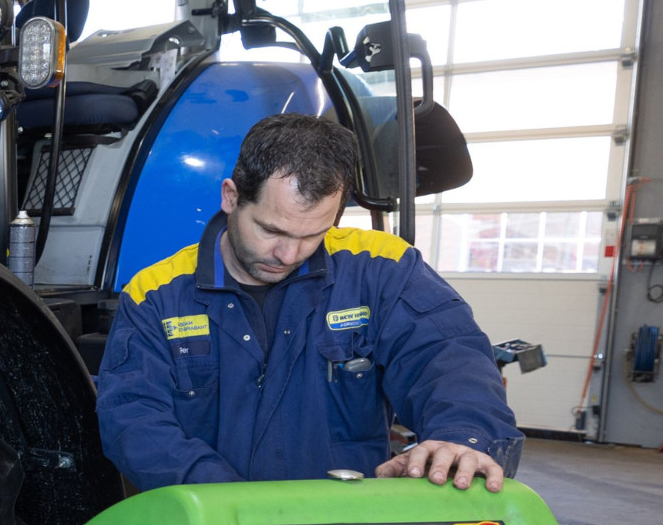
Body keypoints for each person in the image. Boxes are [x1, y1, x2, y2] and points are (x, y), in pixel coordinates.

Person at [97, 113, 521, 492]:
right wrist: (226, 499)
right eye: (272, 231)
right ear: (231, 197)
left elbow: (448, 357)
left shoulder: (381, 270)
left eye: (311, 236)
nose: (288, 255)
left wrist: (464, 436)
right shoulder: (157, 294)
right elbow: (133, 418)